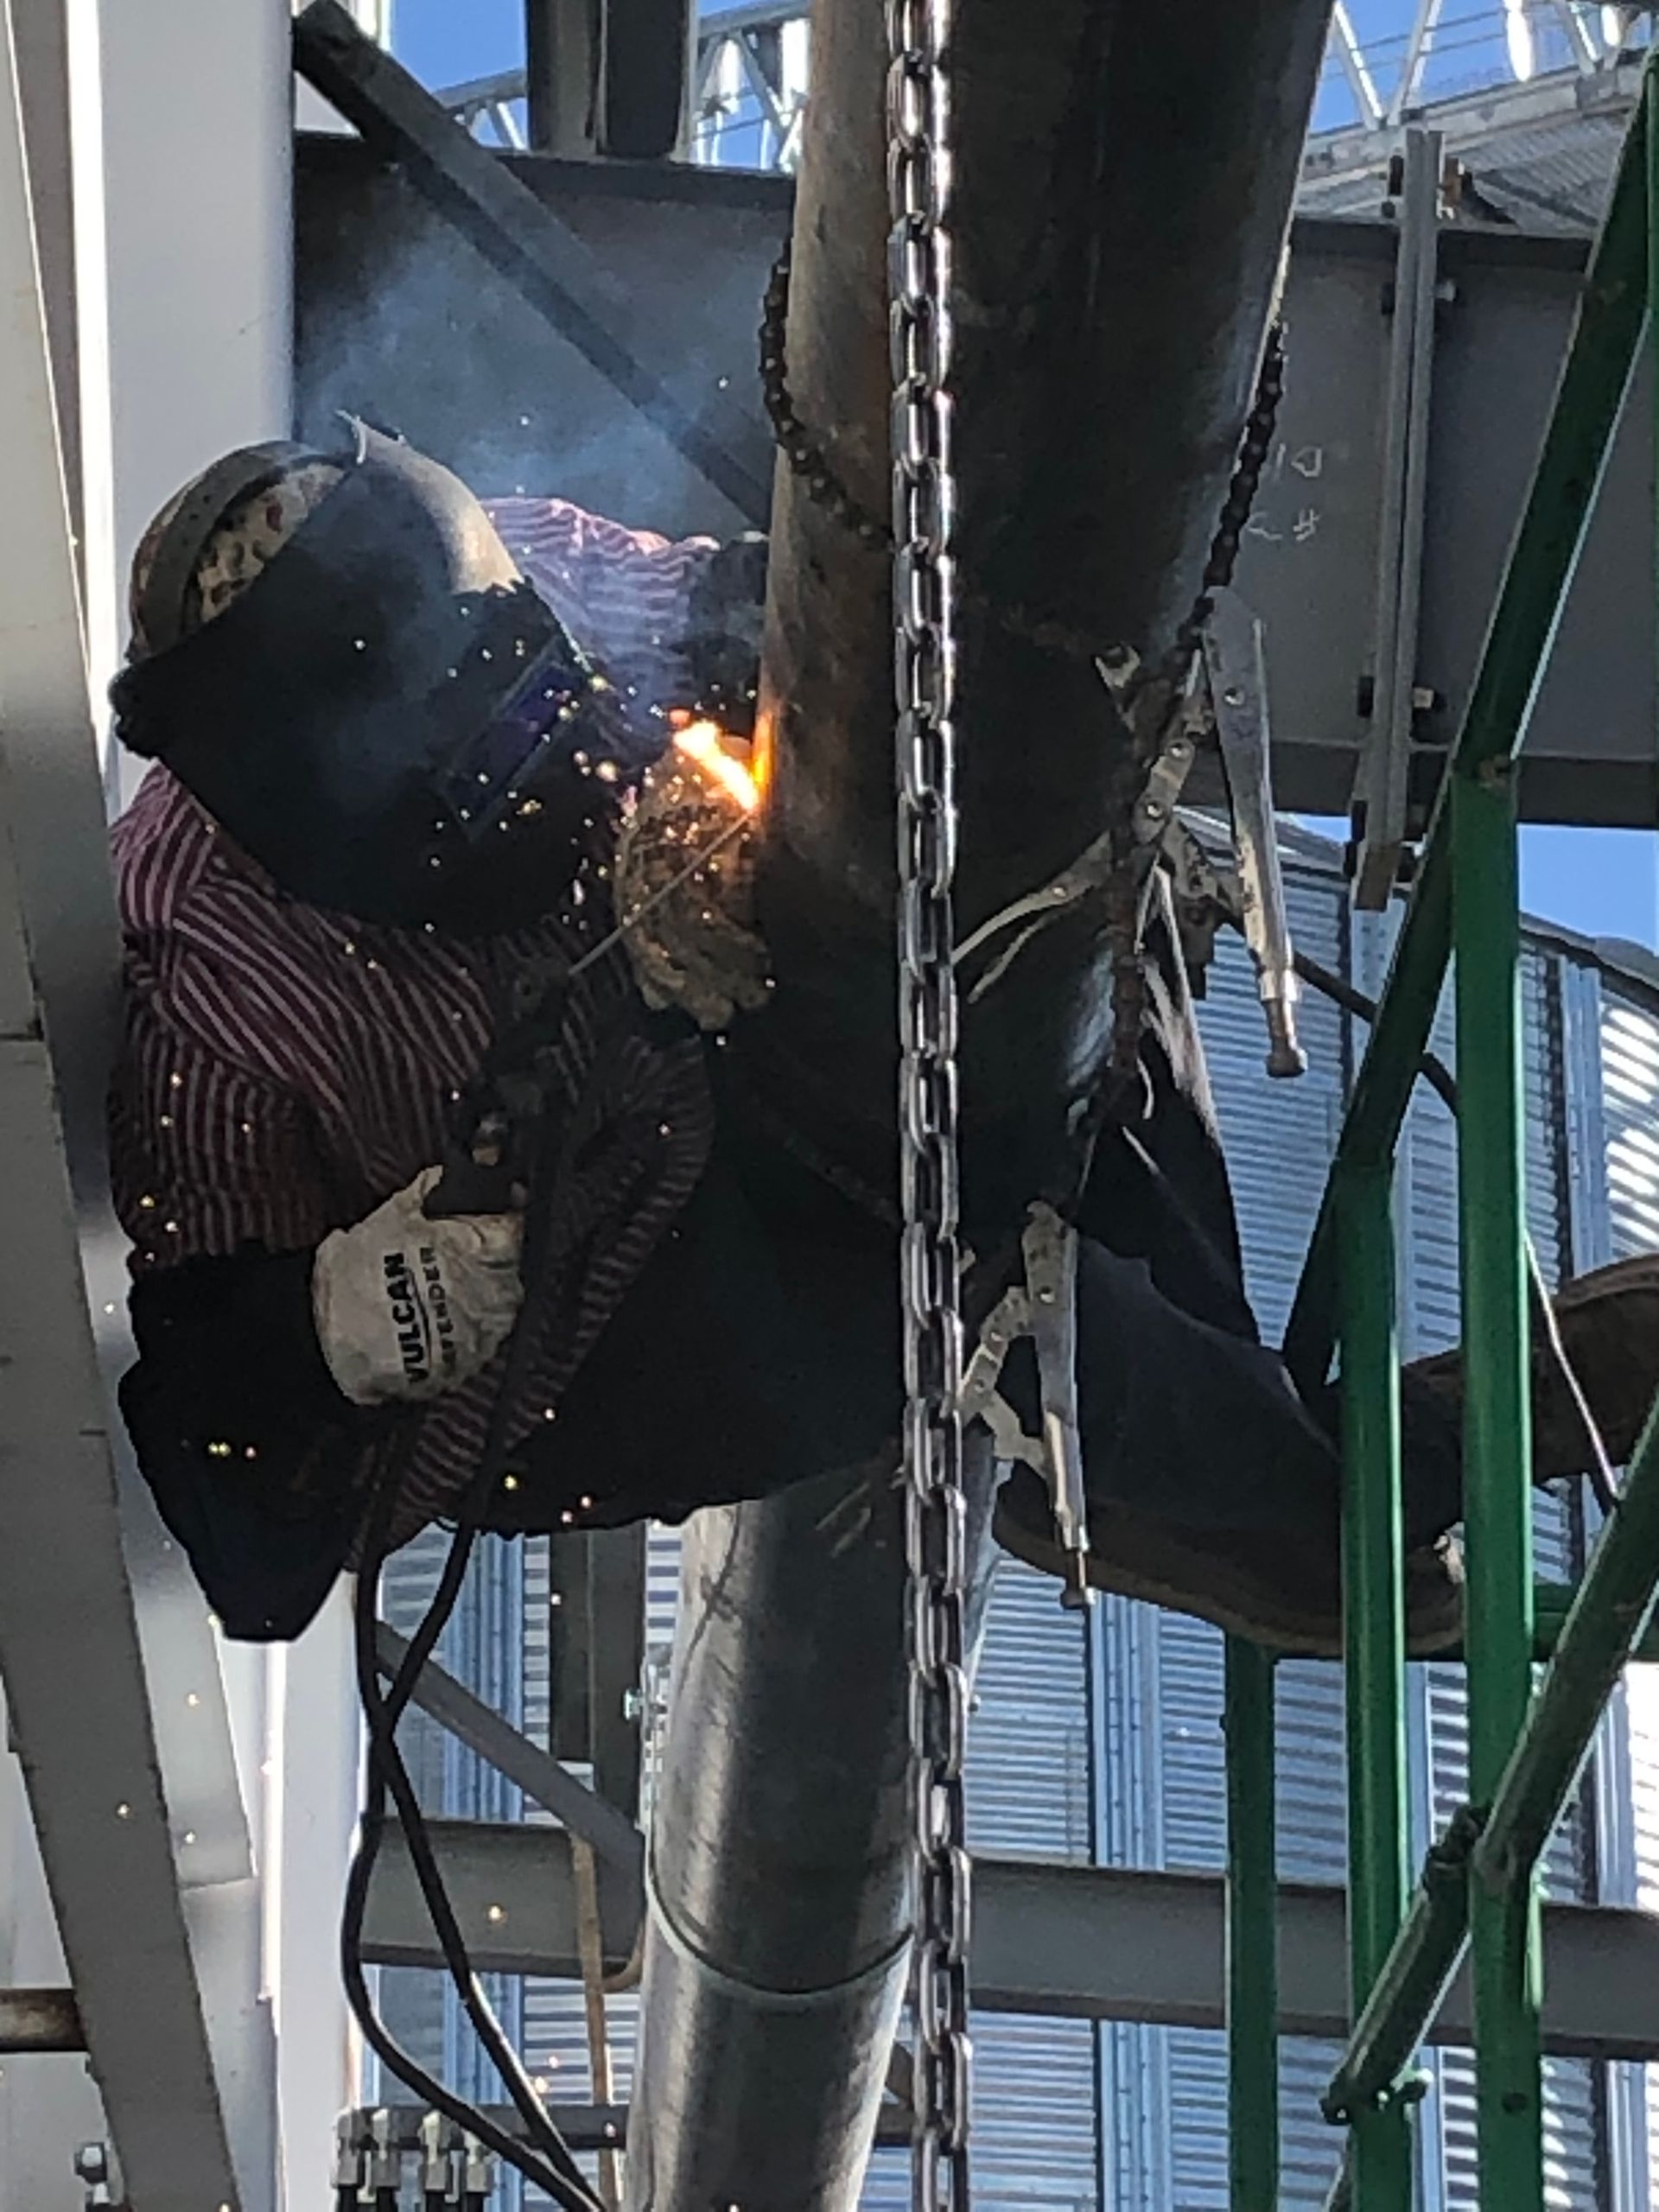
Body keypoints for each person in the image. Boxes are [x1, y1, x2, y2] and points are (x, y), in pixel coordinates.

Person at [106, 427, 1659, 1654]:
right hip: (598, 1344)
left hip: (743, 1090)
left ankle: (1203, 1451)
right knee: (979, 1309)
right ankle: (1328, 1512)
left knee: (1065, 889)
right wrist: (343, 1316)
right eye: (469, 756)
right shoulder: (211, 978)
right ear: (320, 812)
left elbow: (790, 628)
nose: (531, 762)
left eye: (522, 699)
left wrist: (775, 777)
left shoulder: (539, 569)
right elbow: (239, 1538)